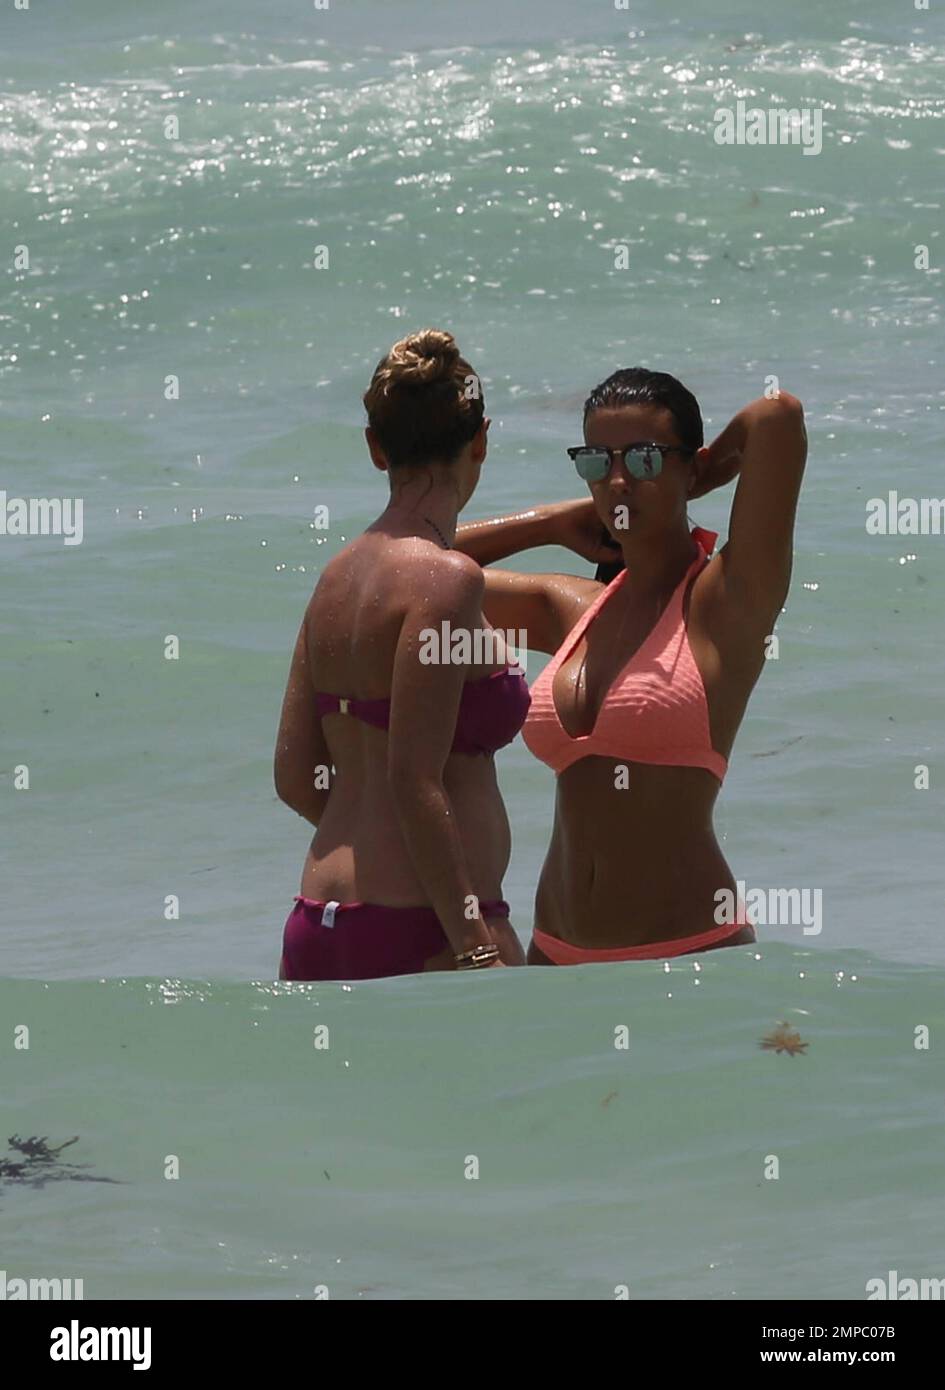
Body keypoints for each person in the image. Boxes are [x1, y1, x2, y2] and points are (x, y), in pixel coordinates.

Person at [452, 368, 807, 964]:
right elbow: (406, 569)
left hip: (690, 955)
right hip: (555, 955)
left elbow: (779, 417)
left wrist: (694, 478)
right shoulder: (571, 611)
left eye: (643, 459)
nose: (618, 481)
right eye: (598, 462)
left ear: (690, 467)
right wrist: (551, 522)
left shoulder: (725, 602)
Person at [274, 330, 530, 979]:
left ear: (374, 447)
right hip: (424, 927)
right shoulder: (446, 581)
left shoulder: (335, 579)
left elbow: (295, 774)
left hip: (316, 921)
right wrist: (475, 944)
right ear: (481, 440)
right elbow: (413, 780)